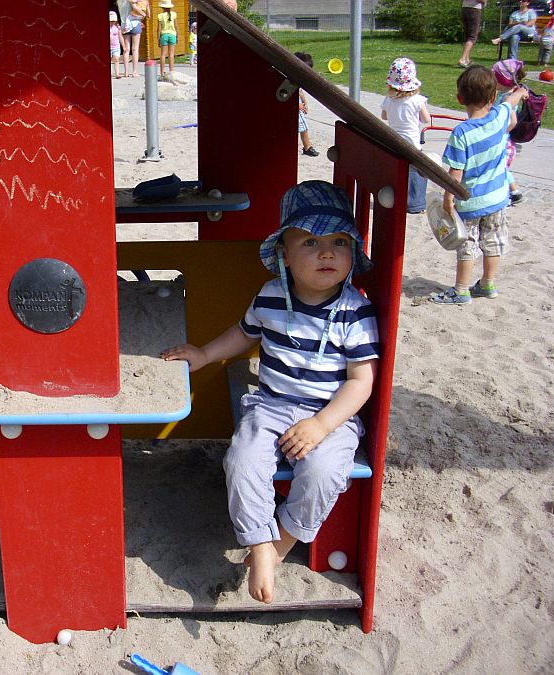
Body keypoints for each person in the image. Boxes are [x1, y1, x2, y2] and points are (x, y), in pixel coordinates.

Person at [161, 181, 379, 604]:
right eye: (311, 241)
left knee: (323, 473)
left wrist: (321, 425)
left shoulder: (355, 310)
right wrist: (205, 353)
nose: (327, 252)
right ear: (283, 253)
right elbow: (244, 334)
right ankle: (259, 542)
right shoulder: (272, 295)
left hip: (331, 415)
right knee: (241, 460)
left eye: (339, 241)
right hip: (272, 405)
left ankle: (281, 543)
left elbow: (361, 381)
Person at [430, 66, 528, 305]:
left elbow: (455, 173)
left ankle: (461, 290)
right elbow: (512, 100)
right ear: (493, 97)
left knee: (468, 245)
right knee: (493, 241)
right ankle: (487, 284)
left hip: (470, 202)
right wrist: (521, 93)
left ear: (460, 98)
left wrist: (447, 198)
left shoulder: (462, 133)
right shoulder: (500, 116)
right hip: (497, 199)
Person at [381, 57, 432, 214]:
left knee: (398, 170)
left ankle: (398, 199)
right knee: (417, 172)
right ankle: (415, 204)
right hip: (412, 143)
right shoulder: (417, 100)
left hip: (394, 142)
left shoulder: (389, 100)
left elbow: (384, 116)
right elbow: (426, 119)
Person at [492, 59, 527, 204]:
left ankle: (510, 194)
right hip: (504, 140)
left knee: (500, 168)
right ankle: (514, 192)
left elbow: (513, 121)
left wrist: (500, 132)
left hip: (504, 142)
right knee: (501, 167)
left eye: (495, 77)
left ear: (503, 80)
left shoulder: (508, 98)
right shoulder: (506, 94)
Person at [293, 52, 320, 157]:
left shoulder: (298, 79)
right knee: (303, 128)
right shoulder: (291, 78)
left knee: (303, 128)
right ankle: (307, 147)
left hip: (299, 107)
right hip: (296, 108)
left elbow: (300, 91)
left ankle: (307, 147)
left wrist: (305, 103)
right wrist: (297, 105)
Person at [126, 0, 150, 78]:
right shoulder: (146, 1)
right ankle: (134, 71)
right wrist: (145, 14)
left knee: (126, 49)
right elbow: (147, 13)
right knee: (135, 49)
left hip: (126, 21)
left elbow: (134, 5)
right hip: (136, 22)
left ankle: (126, 72)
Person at [459, 1, 486, 68]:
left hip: (465, 8)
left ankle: (467, 59)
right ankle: (462, 59)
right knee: (472, 36)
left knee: (467, 35)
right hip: (474, 9)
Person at [157, 1, 178, 80]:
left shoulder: (160, 16)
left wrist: (158, 38)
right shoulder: (174, 14)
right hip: (172, 35)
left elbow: (159, 29)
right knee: (171, 54)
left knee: (163, 55)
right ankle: (171, 71)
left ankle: (162, 73)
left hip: (164, 35)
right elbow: (176, 26)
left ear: (162, 7)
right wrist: (177, 35)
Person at [109, 11, 125, 79]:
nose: (112, 22)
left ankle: (117, 74)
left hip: (116, 46)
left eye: (113, 21)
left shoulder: (117, 28)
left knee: (116, 59)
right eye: (111, 21)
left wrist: (123, 46)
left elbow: (120, 37)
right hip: (109, 47)